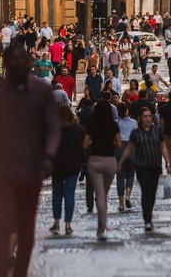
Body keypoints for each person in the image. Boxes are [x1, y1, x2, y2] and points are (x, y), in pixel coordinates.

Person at [0, 44, 60, 276]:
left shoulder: (42, 93)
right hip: (1, 168)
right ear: (5, 63)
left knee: (26, 232)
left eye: (20, 60)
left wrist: (48, 156)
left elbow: (53, 127)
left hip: (31, 169)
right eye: (11, 60)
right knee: (3, 225)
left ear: (28, 62)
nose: (16, 65)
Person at [117, 107, 171, 231]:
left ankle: (149, 213)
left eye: (149, 116)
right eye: (145, 116)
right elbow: (129, 149)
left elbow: (163, 147)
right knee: (146, 191)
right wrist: (120, 162)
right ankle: (147, 219)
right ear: (140, 119)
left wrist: (168, 163)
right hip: (142, 166)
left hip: (155, 166)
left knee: (152, 193)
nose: (147, 119)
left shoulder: (157, 131)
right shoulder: (136, 133)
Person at [83, 100, 121, 241]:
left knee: (99, 194)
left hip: (95, 160)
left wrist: (93, 146)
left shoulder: (92, 125)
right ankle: (102, 226)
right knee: (104, 194)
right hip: (110, 161)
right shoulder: (113, 125)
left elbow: (85, 144)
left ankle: (102, 227)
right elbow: (118, 143)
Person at [49, 106, 85, 235]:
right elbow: (83, 148)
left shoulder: (54, 130)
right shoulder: (79, 130)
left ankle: (56, 222)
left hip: (57, 166)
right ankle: (68, 224)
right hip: (73, 166)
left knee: (57, 194)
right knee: (69, 194)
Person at [115, 103, 138, 211]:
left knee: (120, 175)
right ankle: (128, 195)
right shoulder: (133, 122)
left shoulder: (116, 123)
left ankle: (121, 203)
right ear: (127, 111)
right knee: (130, 174)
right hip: (131, 148)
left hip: (119, 148)